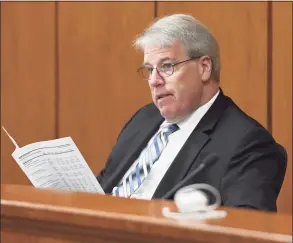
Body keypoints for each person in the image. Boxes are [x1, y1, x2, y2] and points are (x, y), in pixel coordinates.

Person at [96, 14, 286, 212]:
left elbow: (248, 230)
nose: (154, 80)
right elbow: (106, 184)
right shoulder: (144, 118)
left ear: (204, 68)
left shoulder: (247, 143)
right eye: (149, 70)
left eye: (166, 66)